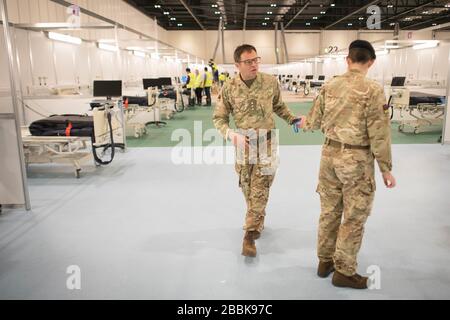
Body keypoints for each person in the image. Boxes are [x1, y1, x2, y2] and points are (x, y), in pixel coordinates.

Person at [300, 40, 396, 289]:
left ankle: (324, 262)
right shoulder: (373, 89)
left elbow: (312, 121)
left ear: (348, 60)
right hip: (356, 161)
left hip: (328, 157)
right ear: (371, 62)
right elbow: (379, 132)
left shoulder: (330, 85)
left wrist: (301, 122)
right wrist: (385, 168)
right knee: (353, 218)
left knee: (329, 212)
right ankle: (343, 271)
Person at [213, 44, 302, 257]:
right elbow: (219, 118)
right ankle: (257, 219)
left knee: (260, 188)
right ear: (237, 65)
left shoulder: (270, 83)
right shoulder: (229, 88)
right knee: (246, 187)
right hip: (243, 145)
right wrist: (231, 135)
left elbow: (279, 106)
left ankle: (249, 235)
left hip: (267, 143)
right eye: (248, 61)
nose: (254, 64)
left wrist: (292, 119)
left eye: (256, 60)